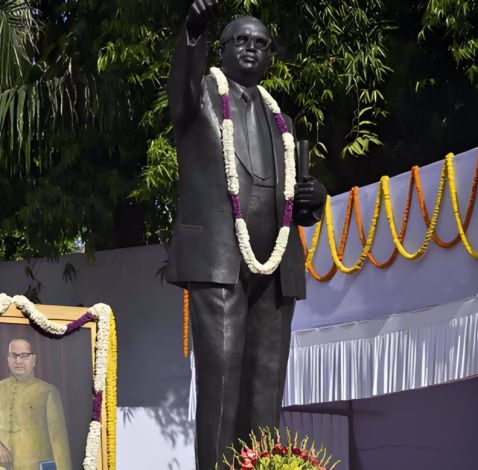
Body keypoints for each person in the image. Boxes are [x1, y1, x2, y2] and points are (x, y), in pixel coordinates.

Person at [166, 1, 327, 468]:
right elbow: (181, 80)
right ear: (223, 48)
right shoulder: (198, 101)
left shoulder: (283, 123)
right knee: (221, 382)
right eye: (242, 40)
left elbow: (292, 198)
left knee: (265, 387)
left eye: (261, 43)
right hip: (219, 259)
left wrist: (311, 201)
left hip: (274, 267)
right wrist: (193, 29)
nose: (252, 49)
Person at [0, 339, 71, 470]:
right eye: (14, 355)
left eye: (24, 355)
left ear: (34, 359)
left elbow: (59, 442)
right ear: (7, 359)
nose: (18, 361)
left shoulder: (47, 392)